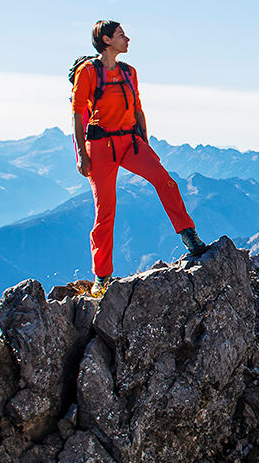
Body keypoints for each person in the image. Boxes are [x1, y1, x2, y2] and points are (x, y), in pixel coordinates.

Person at [72, 20, 207, 296]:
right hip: (99, 146)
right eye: (122, 35)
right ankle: (102, 277)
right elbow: (76, 114)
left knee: (165, 181)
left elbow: (138, 109)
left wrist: (145, 145)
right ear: (107, 40)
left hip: (131, 142)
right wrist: (81, 154)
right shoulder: (87, 73)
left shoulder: (130, 73)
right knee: (105, 211)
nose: (127, 39)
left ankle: (189, 235)